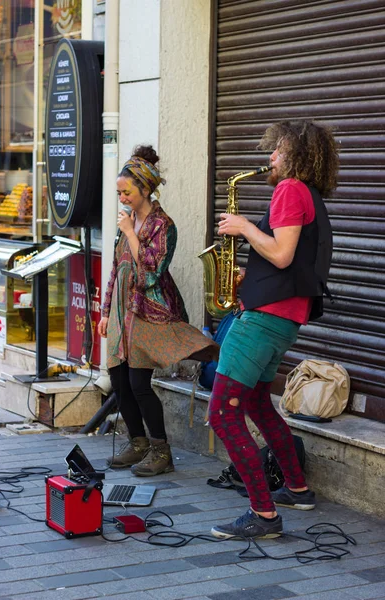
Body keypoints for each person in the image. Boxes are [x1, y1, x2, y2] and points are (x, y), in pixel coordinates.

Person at [208, 120, 339, 539]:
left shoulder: (288, 190)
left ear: (295, 157)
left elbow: (281, 255)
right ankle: (296, 489)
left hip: (261, 321)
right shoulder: (311, 197)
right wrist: (253, 273)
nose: (270, 158)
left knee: (222, 415)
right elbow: (291, 261)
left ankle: (263, 516)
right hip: (283, 319)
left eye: (277, 151)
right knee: (260, 405)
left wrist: (244, 227)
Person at [98, 145, 219, 477]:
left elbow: (150, 273)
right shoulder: (130, 220)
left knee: (139, 383)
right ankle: (137, 443)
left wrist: (128, 233)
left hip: (148, 313)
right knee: (118, 381)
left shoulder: (163, 225)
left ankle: (160, 450)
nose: (122, 197)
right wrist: (105, 309)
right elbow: (116, 269)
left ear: (145, 189)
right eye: (119, 192)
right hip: (122, 313)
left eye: (127, 192)